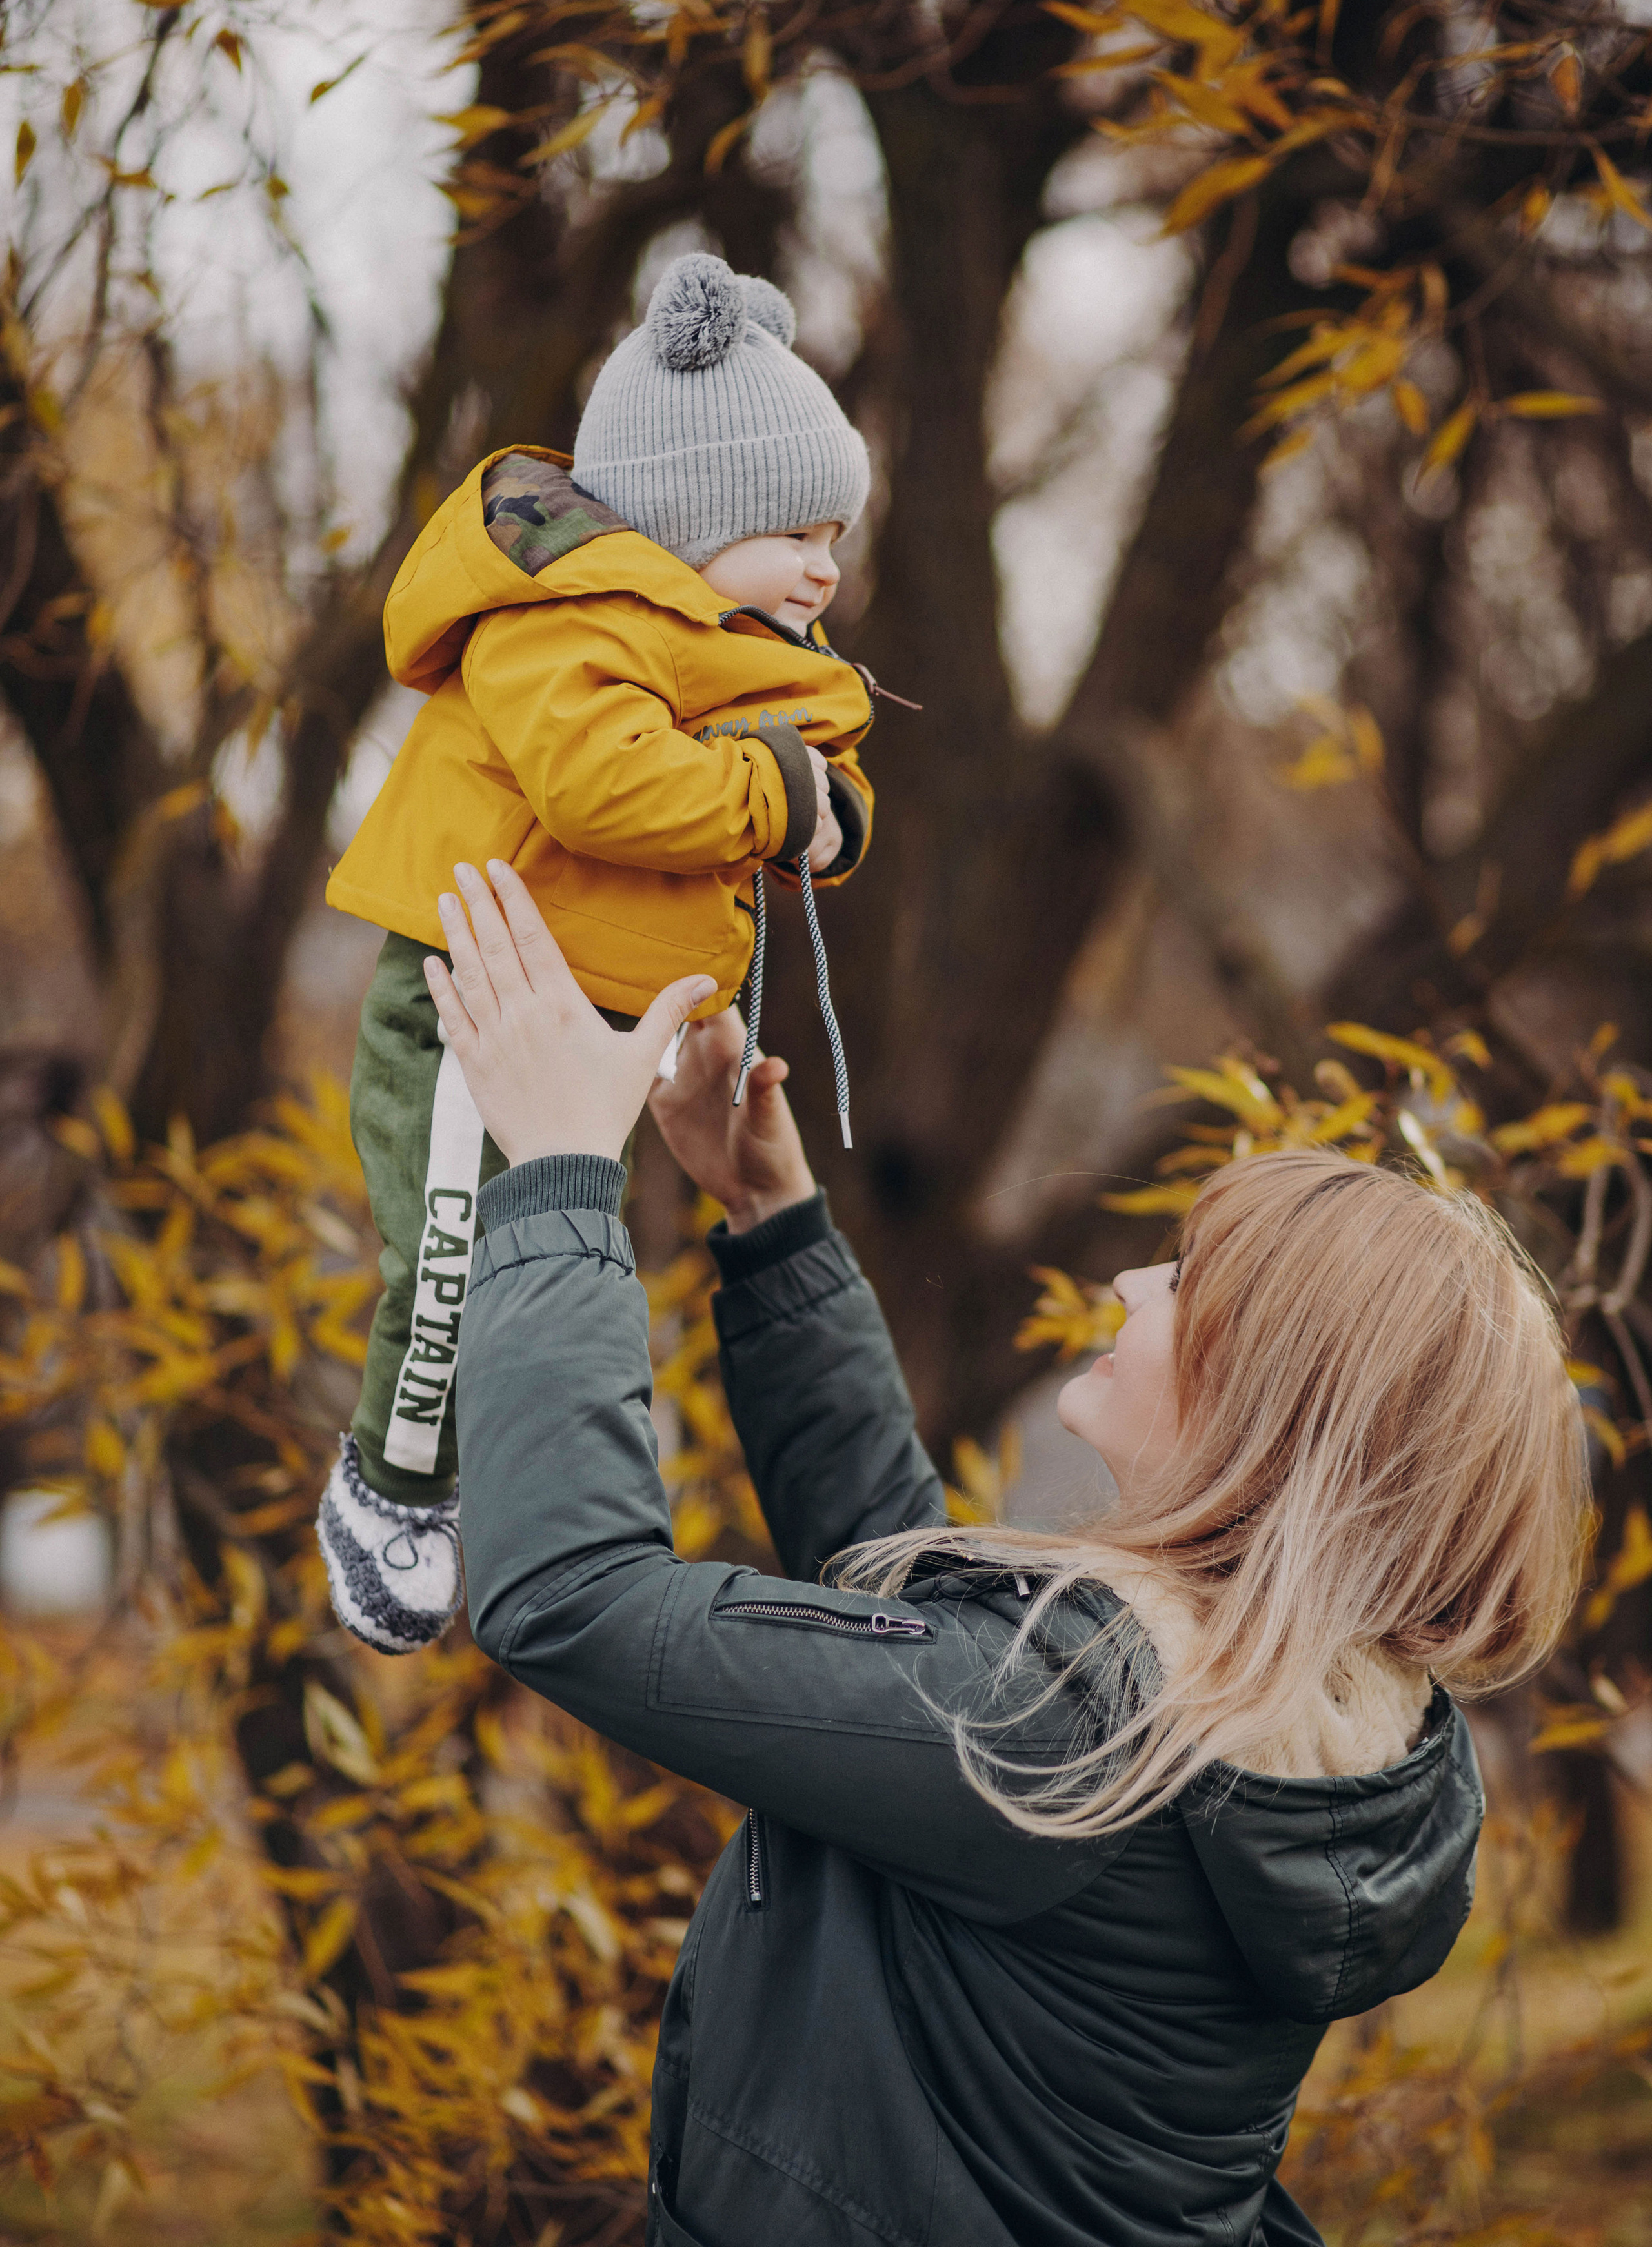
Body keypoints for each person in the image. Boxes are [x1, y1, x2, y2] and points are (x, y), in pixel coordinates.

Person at [428, 859, 1586, 2247]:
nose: (1130, 1282)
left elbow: (574, 1599)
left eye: (1184, 1282)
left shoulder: (1069, 1729)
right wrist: (773, 1222)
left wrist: (561, 1173)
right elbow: (903, 1623)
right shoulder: (1307, 1734)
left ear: (1268, 1417)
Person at [317, 252, 878, 1656]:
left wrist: (825, 814)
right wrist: (781, 794)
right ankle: (395, 1483)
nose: (825, 564)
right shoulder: (564, 618)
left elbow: (823, 771)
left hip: (587, 1029)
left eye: (835, 533)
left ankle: (499, 1479)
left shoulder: (745, 649)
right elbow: (604, 788)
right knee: (448, 1254)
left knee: (552, 1265)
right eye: (794, 530)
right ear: (690, 517)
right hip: (471, 997)